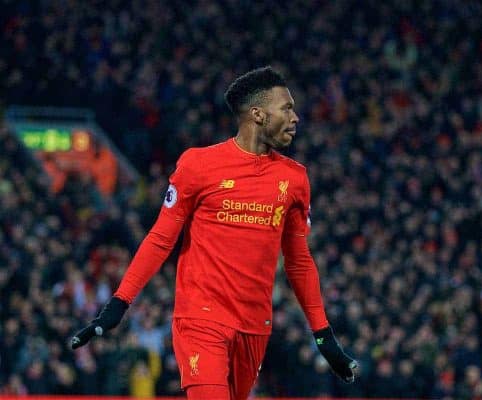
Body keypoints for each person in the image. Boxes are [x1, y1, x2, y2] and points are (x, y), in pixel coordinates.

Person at [71, 66, 358, 399]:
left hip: (255, 325)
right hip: (200, 317)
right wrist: (119, 303)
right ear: (258, 114)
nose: (296, 118)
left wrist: (324, 337)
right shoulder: (199, 165)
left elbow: (298, 261)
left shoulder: (295, 179)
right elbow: (161, 239)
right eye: (287, 108)